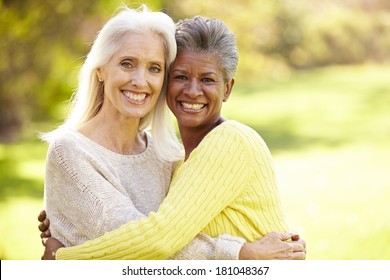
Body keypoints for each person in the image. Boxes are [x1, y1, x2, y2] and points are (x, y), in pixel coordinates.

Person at [39, 13, 306, 260]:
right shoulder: (74, 152)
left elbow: (158, 240)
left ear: (227, 88)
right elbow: (149, 240)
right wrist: (241, 253)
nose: (140, 80)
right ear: (100, 69)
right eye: (127, 64)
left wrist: (62, 258)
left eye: (154, 68)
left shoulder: (184, 152)